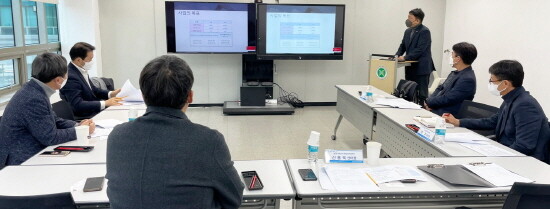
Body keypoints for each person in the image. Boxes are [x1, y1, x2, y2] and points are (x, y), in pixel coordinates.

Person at [106, 55, 244, 209]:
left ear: (143, 97)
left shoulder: (117, 136)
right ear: (190, 96)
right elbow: (233, 198)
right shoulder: (208, 140)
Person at [0, 53, 95, 166]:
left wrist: (78, 125)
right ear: (58, 80)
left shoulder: (34, 89)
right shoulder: (33, 98)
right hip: (22, 160)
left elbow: (54, 119)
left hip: (32, 151)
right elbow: (50, 137)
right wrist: (82, 131)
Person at [443, 60, 550, 161]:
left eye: (492, 81)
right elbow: (492, 122)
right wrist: (458, 122)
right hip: (506, 152)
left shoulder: (525, 105)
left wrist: (496, 158)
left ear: (505, 84)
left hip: (525, 161)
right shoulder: (511, 98)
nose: (490, 84)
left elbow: (524, 146)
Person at [60, 42, 123, 118]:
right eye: (90, 59)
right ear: (79, 60)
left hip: (94, 111)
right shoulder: (70, 77)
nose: (91, 62)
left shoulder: (81, 70)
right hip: (85, 117)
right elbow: (77, 105)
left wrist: (111, 94)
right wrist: (105, 103)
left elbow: (93, 90)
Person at [425, 42, 477, 115]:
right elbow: (440, 88)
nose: (451, 57)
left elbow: (448, 98)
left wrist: (428, 103)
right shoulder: (455, 73)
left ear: (458, 59)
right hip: (436, 109)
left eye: (452, 54)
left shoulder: (467, 79)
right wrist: (429, 102)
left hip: (447, 116)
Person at [395, 8, 435, 104]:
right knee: (409, 92)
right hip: (410, 67)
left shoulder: (425, 31)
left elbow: (420, 49)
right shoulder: (407, 31)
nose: (407, 19)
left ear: (417, 20)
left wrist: (405, 57)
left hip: (421, 68)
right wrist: (396, 56)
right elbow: (403, 45)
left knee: (421, 95)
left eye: (410, 17)